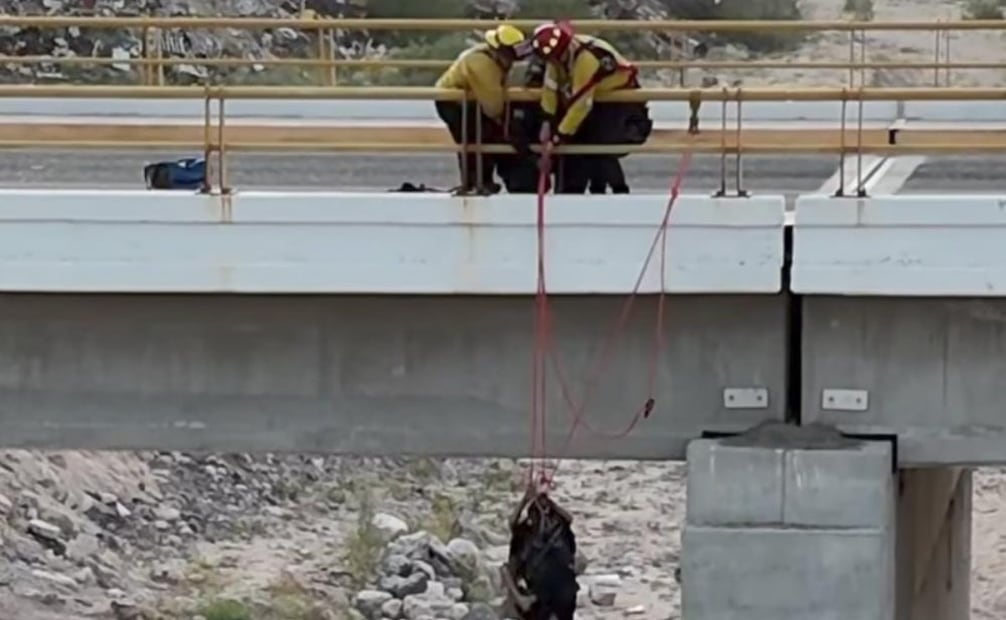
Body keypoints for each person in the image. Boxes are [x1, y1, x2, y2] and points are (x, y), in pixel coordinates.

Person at [528, 21, 653, 194]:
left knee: (597, 146)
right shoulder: (556, 58)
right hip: (593, 102)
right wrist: (546, 121)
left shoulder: (586, 59)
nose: (553, 63)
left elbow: (580, 105)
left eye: (556, 59)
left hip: (617, 103)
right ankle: (570, 192)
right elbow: (550, 89)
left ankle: (615, 190)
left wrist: (557, 138)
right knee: (574, 150)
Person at [434, 24, 529, 195]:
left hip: (472, 102)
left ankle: (482, 182)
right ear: (501, 51)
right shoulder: (482, 65)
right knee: (472, 140)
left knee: (483, 139)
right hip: (452, 103)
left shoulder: (492, 58)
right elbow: (493, 107)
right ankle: (473, 183)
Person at [502, 479, 579, 620]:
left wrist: (550, 503)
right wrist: (526, 499)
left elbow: (569, 518)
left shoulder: (557, 525)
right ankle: (519, 599)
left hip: (553, 581)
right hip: (544, 585)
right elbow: (512, 522)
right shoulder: (526, 532)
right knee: (506, 571)